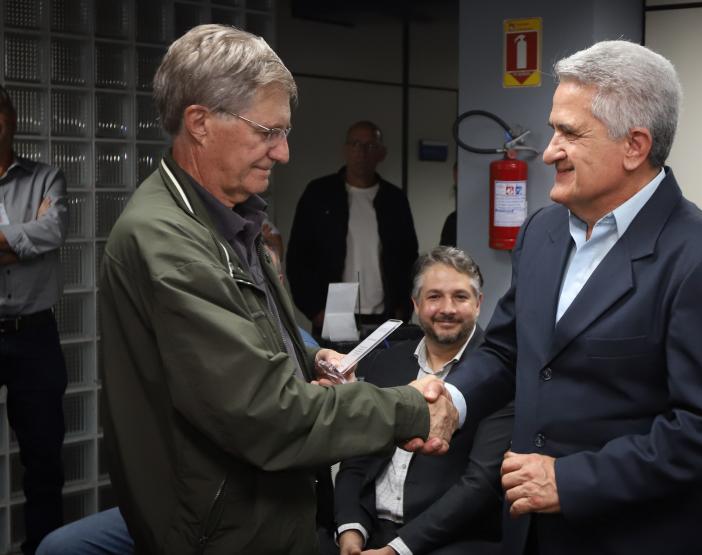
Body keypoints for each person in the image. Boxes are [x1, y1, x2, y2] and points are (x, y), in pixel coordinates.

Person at [88, 24, 454, 555]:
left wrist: (306, 365)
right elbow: (265, 416)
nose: (282, 153)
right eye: (267, 132)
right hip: (221, 532)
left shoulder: (231, 221)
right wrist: (409, 409)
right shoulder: (168, 242)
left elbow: (236, 365)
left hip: (263, 515)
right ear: (200, 123)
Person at [417, 40, 702, 554]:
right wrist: (455, 399)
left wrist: (572, 480)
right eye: (554, 128)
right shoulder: (543, 232)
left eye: (569, 133)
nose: (550, 150)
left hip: (634, 538)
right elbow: (508, 349)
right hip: (529, 532)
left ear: (635, 146)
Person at [333, 246, 511, 555]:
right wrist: (350, 532)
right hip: (370, 532)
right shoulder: (385, 363)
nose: (447, 308)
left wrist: (396, 550)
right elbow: (356, 456)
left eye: (460, 297)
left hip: (451, 541)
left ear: (479, 304)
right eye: (434, 297)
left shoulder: (499, 372)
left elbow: (480, 483)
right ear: (416, 304)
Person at [0, 84, 68, 555]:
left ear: (13, 119)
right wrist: (23, 239)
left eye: (0, 113)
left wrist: (14, 241)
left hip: (35, 336)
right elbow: (35, 236)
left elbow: (53, 230)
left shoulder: (46, 177)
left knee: (44, 459)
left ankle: (43, 549)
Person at [286, 121, 418, 335]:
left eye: (370, 145)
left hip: (386, 313)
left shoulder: (394, 200)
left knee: (384, 367)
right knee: (335, 367)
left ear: (381, 153)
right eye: (355, 144)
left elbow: (409, 257)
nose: (361, 152)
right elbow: (299, 257)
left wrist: (404, 307)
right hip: (334, 311)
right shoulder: (319, 194)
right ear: (345, 150)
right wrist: (314, 310)